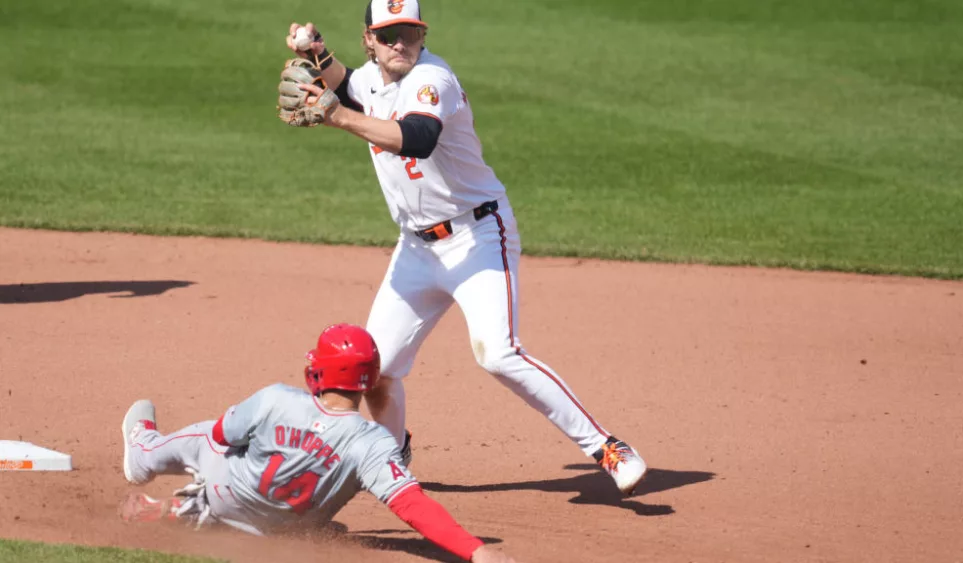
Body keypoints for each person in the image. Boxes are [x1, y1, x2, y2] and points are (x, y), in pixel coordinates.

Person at [286, 0, 646, 495]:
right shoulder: (373, 76)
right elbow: (350, 85)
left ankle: (606, 446)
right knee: (377, 370)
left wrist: (338, 118)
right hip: (416, 248)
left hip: (477, 236)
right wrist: (318, 52)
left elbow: (416, 137)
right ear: (368, 38)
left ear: (422, 33)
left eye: (409, 33)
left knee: (497, 353)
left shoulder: (432, 79)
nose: (400, 43)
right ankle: (390, 462)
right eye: (388, 34)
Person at [120, 324, 517, 563]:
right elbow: (414, 506)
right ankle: (189, 511)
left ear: (319, 371)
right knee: (331, 519)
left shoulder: (277, 399)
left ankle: (145, 455)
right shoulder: (374, 444)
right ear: (371, 378)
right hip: (283, 529)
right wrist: (476, 551)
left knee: (209, 435)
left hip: (229, 495)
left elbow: (224, 435)